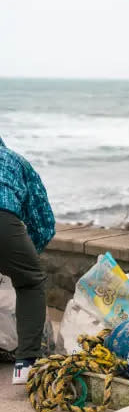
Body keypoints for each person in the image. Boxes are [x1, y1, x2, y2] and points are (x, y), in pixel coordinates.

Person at [0, 136, 56, 384]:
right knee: (30, 283)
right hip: (4, 224)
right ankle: (25, 365)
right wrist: (23, 258)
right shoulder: (15, 161)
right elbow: (43, 222)